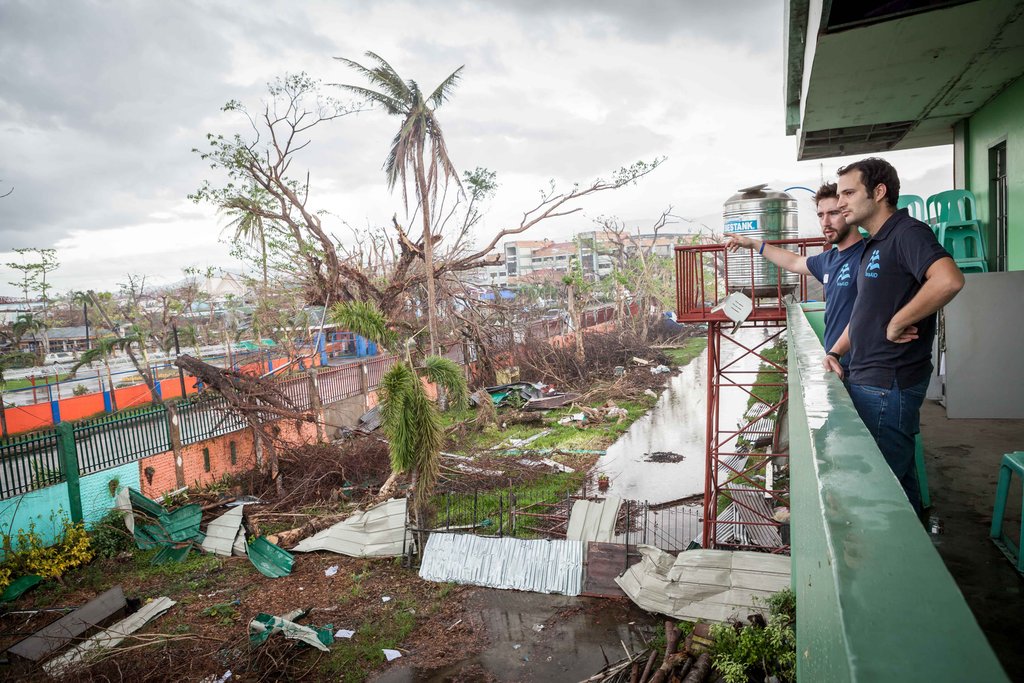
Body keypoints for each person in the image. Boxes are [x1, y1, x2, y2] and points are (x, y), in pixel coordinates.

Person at [822, 157, 965, 514]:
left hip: (889, 382)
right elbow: (864, 313)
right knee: (897, 479)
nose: (840, 203)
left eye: (849, 193)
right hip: (870, 378)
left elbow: (948, 280)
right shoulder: (875, 243)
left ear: (879, 191)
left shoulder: (907, 232)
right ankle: (919, 550)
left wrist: (899, 321)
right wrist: (836, 352)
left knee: (881, 489)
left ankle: (897, 564)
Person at [725, 182, 864, 371]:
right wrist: (754, 244)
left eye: (834, 213)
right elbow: (793, 262)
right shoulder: (829, 259)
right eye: (821, 215)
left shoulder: (869, 254)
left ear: (849, 212)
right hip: (839, 365)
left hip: (865, 370)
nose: (826, 223)